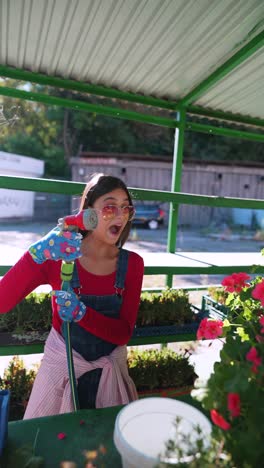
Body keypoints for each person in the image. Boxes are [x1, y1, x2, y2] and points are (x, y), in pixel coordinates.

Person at [0, 173, 144, 418]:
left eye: (125, 208)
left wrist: (82, 315)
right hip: (60, 373)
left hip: (110, 374)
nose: (120, 215)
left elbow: (123, 332)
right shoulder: (57, 255)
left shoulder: (133, 264)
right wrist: (36, 254)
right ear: (88, 212)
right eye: (110, 207)